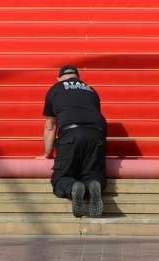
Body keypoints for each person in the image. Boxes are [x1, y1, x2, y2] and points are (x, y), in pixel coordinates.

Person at [37, 65, 107, 218]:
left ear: (59, 78)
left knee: (61, 179)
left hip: (71, 135)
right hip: (97, 135)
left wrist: (47, 154)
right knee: (92, 175)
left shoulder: (55, 89)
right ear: (78, 77)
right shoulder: (91, 90)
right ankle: (93, 184)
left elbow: (50, 126)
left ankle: (73, 186)